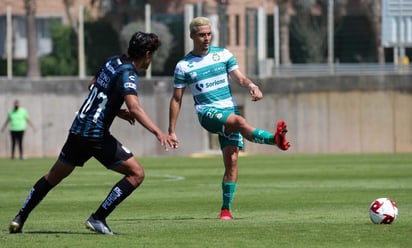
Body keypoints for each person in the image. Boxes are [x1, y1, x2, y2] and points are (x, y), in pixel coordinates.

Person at [8, 31, 174, 235]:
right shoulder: (128, 73)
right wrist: (159, 133)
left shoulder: (113, 61)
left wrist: (114, 110)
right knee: (136, 174)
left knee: (53, 177)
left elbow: (93, 84)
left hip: (78, 128)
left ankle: (19, 218)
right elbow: (135, 107)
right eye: (153, 54)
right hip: (95, 134)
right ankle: (98, 218)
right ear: (147, 54)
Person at [168, 17, 291, 220]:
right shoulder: (183, 66)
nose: (206, 38)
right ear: (192, 36)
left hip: (228, 110)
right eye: (201, 35)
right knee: (240, 122)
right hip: (207, 113)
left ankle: (225, 210)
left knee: (232, 161)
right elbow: (176, 99)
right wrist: (172, 130)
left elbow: (240, 78)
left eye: (209, 34)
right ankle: (273, 140)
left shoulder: (223, 55)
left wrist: (252, 86)